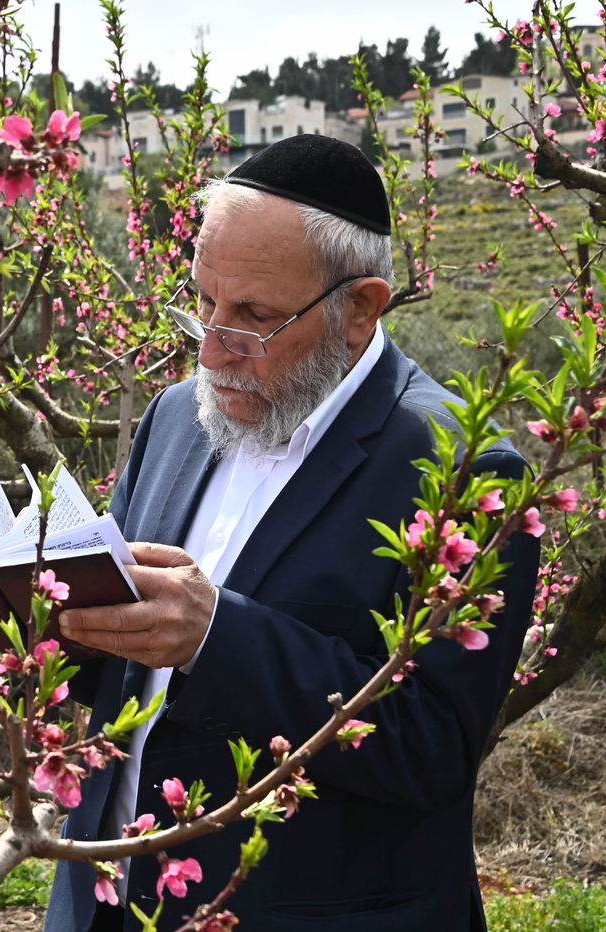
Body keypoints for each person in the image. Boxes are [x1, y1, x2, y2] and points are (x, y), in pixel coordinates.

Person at [43, 135, 539, 932]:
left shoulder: (461, 471)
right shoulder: (176, 417)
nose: (211, 346)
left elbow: (431, 749)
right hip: (110, 907)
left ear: (361, 308)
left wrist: (216, 637)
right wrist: (54, 617)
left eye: (254, 318)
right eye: (202, 302)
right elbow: (125, 678)